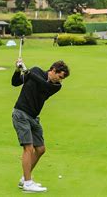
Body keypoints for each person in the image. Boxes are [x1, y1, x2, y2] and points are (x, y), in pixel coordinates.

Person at [11, 59, 70, 193]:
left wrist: (28, 72)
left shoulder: (55, 86)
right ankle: (27, 183)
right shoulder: (36, 71)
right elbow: (15, 83)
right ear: (53, 70)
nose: (60, 80)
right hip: (21, 114)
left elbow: (44, 85)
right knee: (29, 148)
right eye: (59, 76)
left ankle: (24, 179)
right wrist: (18, 70)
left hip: (34, 118)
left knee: (41, 149)